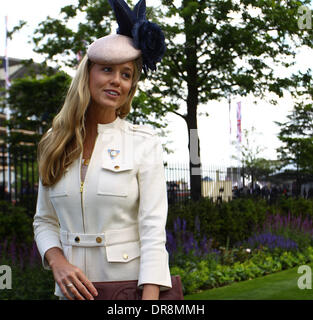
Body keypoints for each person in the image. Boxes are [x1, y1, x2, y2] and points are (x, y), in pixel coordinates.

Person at [33, 0, 171, 300]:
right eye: (107, 69)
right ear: (88, 74)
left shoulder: (144, 143)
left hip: (127, 291)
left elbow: (152, 231)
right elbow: (44, 220)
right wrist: (57, 262)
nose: (116, 81)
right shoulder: (54, 142)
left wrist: (148, 301)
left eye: (126, 74)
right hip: (68, 294)